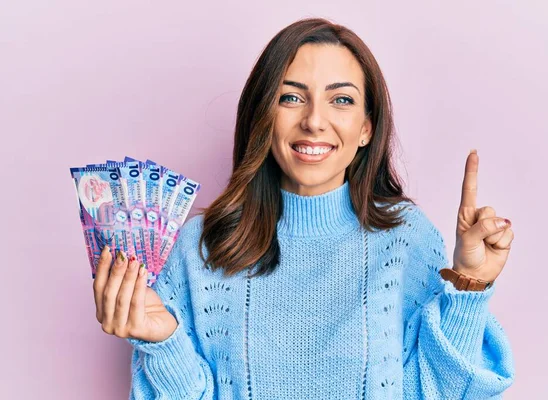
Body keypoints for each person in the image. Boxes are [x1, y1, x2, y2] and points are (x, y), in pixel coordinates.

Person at [92, 17, 515, 399]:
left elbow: (443, 393)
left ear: (366, 129)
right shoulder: (200, 247)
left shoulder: (407, 238)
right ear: (263, 116)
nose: (314, 120)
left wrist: (469, 286)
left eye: (342, 100)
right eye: (291, 98)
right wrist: (164, 344)